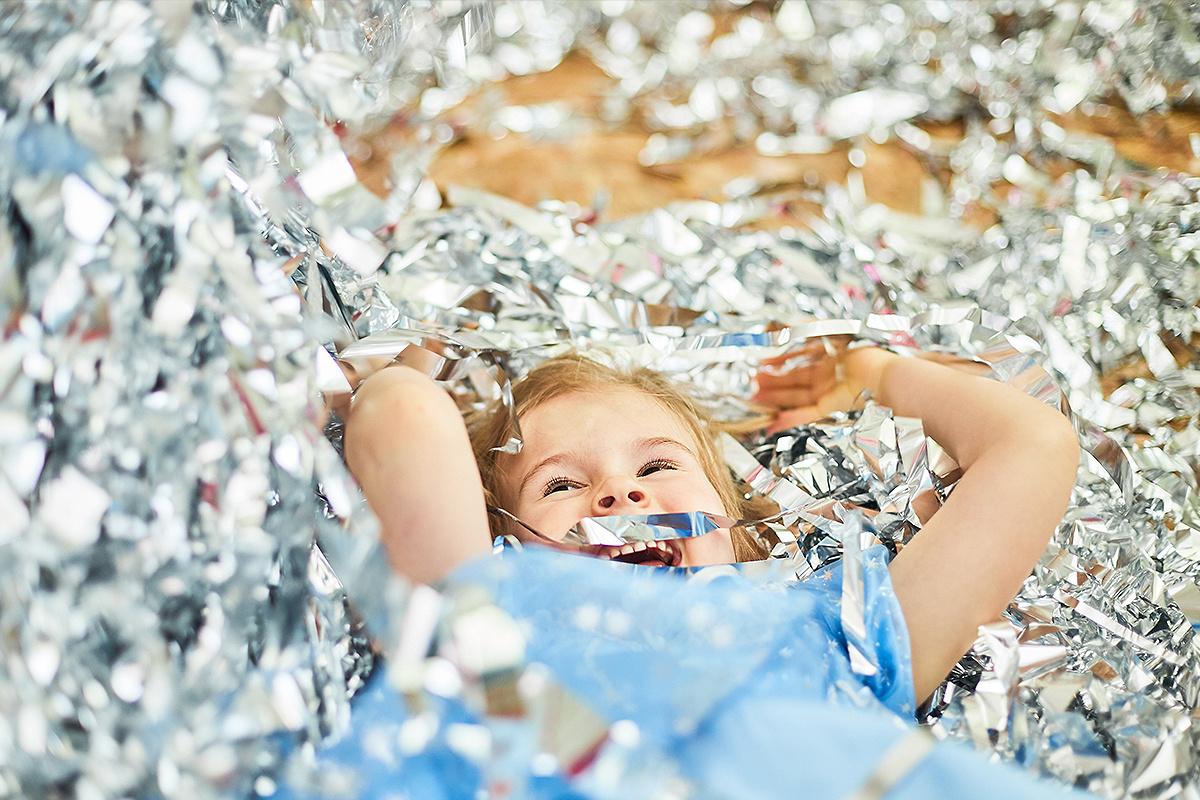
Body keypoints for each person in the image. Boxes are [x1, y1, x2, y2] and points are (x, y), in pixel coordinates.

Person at [339, 337, 1079, 706]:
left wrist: (869, 370)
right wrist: (402, 368)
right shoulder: (488, 644)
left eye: (658, 467)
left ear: (737, 529)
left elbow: (1033, 445)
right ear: (504, 546)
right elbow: (404, 413)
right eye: (559, 484)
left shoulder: (837, 636)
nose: (618, 496)